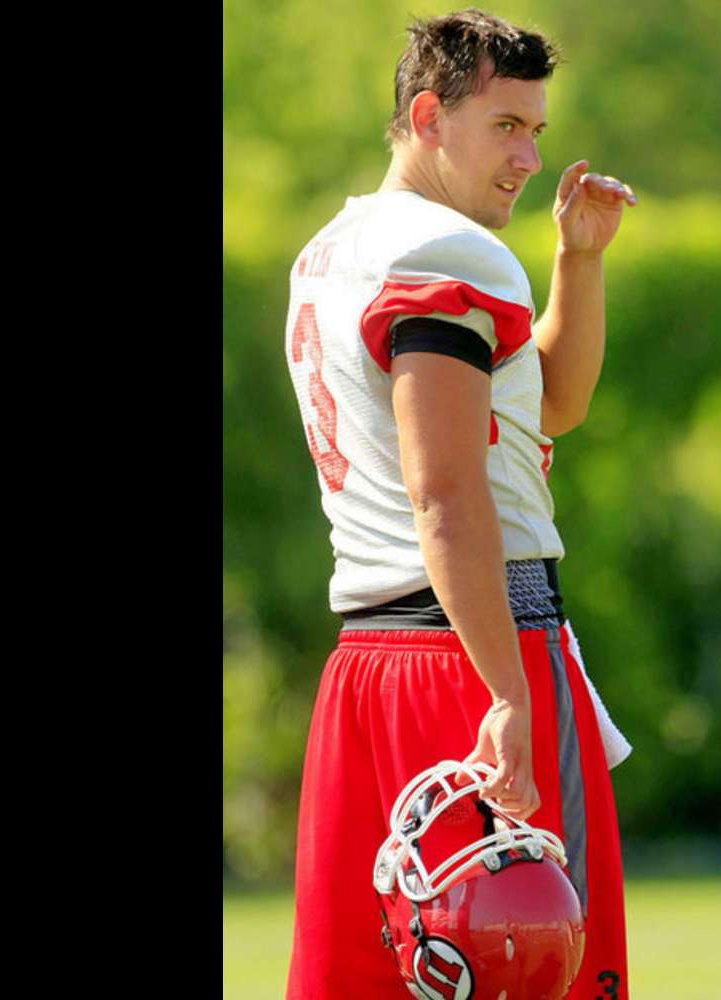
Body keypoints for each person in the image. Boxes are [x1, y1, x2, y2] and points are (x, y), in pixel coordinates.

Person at [283, 9, 637, 997]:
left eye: (536, 131)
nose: (527, 157)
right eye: (505, 128)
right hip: (481, 651)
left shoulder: (330, 251)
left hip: (367, 665)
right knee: (545, 974)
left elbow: (549, 405)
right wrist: (508, 697)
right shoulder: (448, 251)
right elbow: (446, 496)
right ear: (430, 116)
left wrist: (579, 260)